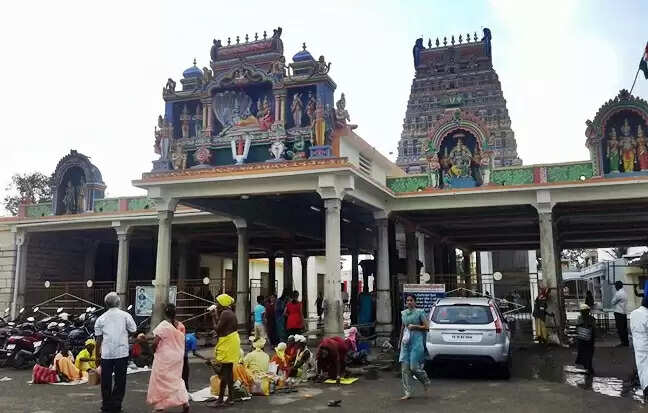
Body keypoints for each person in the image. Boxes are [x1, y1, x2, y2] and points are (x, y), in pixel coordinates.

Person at [95, 292, 136, 413]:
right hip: (121, 352)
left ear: (106, 304)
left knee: (105, 381)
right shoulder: (125, 316)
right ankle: (116, 405)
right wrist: (124, 334)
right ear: (118, 302)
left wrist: (97, 355)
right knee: (120, 380)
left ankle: (106, 406)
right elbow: (133, 330)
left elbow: (98, 339)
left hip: (106, 354)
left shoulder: (101, 318)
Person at [147, 303, 190, 413]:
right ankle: (185, 402)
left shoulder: (163, 325)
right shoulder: (180, 325)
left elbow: (155, 342)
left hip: (164, 357)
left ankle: (160, 407)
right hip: (177, 356)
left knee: (160, 381)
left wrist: (152, 351)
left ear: (165, 313)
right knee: (177, 379)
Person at [209, 293, 241, 408]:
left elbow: (218, 328)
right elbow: (222, 325)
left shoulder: (225, 313)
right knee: (226, 371)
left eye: (217, 302)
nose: (216, 304)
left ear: (222, 303)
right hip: (231, 342)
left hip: (228, 343)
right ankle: (227, 398)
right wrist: (216, 315)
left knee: (225, 372)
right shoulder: (228, 312)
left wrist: (213, 316)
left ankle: (223, 399)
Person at [399, 294, 431, 400]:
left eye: (411, 300)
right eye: (407, 300)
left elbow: (427, 327)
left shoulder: (420, 312)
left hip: (417, 342)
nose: (409, 302)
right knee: (404, 369)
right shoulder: (403, 313)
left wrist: (415, 326)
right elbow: (402, 328)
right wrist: (399, 342)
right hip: (406, 342)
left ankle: (425, 381)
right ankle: (407, 392)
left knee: (414, 367)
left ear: (415, 302)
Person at [631, 295, 648, 402]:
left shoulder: (633, 313)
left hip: (637, 345)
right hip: (646, 346)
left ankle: (645, 391)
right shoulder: (647, 315)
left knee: (642, 369)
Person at [574, 303, 596, 375]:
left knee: (585, 354)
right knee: (588, 354)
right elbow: (594, 329)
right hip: (589, 340)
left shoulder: (580, 318)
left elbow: (577, 328)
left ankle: (588, 367)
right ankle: (588, 367)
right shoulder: (591, 319)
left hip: (583, 340)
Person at [612, 281, 629, 347]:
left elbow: (613, 302)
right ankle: (626, 342)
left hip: (618, 313)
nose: (615, 287)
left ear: (617, 286)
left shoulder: (618, 293)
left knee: (620, 329)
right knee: (624, 328)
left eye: (615, 286)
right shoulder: (625, 292)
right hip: (624, 313)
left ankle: (623, 343)